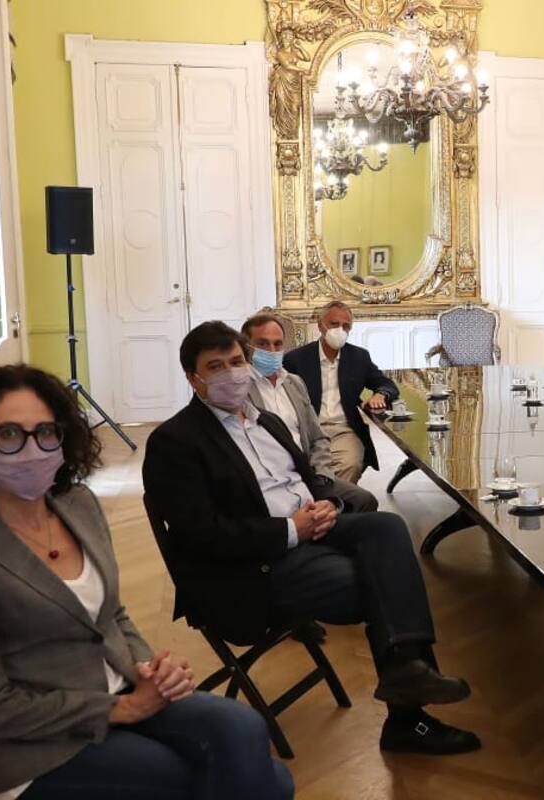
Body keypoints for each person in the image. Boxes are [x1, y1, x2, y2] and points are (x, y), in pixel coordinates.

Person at [0, 365, 293, 800]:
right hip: (40, 743)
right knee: (255, 783)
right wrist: (118, 709)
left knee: (244, 729)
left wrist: (149, 669)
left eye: (47, 432)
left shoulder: (77, 505)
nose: (32, 449)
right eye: (9, 435)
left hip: (126, 690)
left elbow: (111, 614)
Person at [143, 322, 479, 755]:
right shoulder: (175, 441)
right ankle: (407, 717)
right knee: (375, 582)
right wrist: (289, 530)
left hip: (309, 532)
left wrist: (327, 508)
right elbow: (201, 534)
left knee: (387, 527)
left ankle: (408, 672)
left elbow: (309, 482)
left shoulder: (265, 421)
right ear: (194, 378)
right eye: (216, 366)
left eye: (236, 362)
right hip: (251, 567)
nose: (231, 373)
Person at [241, 313, 378, 512]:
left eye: (278, 344)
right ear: (247, 347)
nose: (271, 351)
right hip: (270, 479)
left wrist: (321, 476)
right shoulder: (240, 389)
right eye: (263, 344)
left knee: (364, 501)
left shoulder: (294, 383)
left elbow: (317, 438)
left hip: (306, 474)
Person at [282, 300, 399, 483]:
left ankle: (336, 506)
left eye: (346, 326)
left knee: (350, 465)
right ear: (321, 325)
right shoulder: (296, 359)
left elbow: (386, 383)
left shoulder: (359, 357)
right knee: (305, 470)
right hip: (308, 430)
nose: (340, 330)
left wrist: (381, 393)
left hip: (344, 429)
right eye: (334, 324)